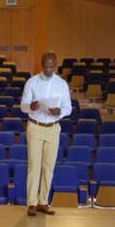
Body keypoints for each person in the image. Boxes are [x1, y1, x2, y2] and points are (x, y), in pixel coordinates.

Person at [20, 51, 72, 216]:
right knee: (34, 165)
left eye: (51, 67)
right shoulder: (32, 82)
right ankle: (31, 204)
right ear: (41, 65)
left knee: (48, 166)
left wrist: (60, 112)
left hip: (53, 128)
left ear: (55, 65)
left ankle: (43, 202)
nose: (48, 69)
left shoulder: (62, 84)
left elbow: (68, 107)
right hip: (35, 126)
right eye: (45, 66)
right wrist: (31, 106)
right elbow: (23, 106)